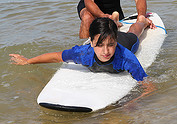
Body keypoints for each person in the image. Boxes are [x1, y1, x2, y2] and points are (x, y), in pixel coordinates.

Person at [9, 15, 149, 82]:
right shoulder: (83, 53)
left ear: (115, 42)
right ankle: (113, 20)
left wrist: (132, 102)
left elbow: (147, 84)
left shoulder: (126, 58)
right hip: (107, 35)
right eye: (99, 45)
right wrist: (28, 61)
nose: (106, 51)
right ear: (91, 41)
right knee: (108, 32)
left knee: (134, 33)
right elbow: (56, 57)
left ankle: (142, 21)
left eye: (110, 45)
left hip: (126, 41)